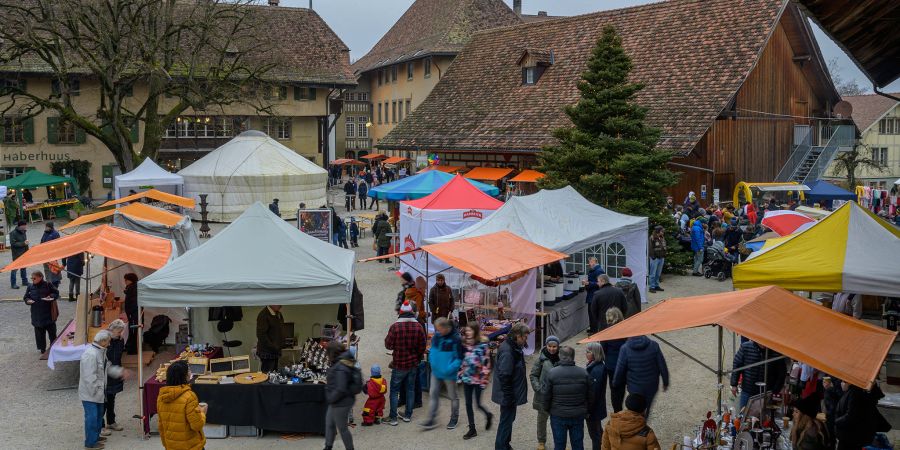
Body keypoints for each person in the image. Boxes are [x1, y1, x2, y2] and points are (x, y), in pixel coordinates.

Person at [80, 330, 125, 449]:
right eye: (109, 342)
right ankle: (90, 443)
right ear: (103, 341)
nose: (110, 344)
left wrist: (120, 372)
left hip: (99, 392)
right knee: (92, 417)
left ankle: (95, 437)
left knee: (99, 415)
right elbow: (89, 378)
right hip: (91, 393)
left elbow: (108, 367)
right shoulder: (91, 355)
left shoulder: (100, 352)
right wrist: (96, 392)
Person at [384, 301, 426, 425]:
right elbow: (422, 346)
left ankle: (393, 418)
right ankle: (408, 415)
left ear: (401, 313)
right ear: (412, 313)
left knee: (394, 391)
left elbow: (388, 345)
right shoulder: (418, 326)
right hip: (413, 364)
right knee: (410, 389)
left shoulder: (395, 327)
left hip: (398, 365)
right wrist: (417, 357)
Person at [542, 346, 592, 450]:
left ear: (560, 356)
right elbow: (590, 395)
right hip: (578, 414)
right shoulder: (584, 373)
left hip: (558, 414)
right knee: (578, 444)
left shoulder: (552, 373)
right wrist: (586, 410)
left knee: (559, 445)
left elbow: (546, 395)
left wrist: (547, 409)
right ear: (573, 357)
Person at [492, 322, 530, 450]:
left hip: (509, 394)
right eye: (524, 337)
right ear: (517, 336)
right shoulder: (508, 352)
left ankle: (505, 445)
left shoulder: (513, 347)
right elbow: (504, 376)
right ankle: (501, 446)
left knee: (508, 420)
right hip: (507, 395)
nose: (525, 340)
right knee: (506, 421)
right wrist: (509, 397)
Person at [421, 317, 463, 430]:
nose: (437, 332)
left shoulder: (456, 339)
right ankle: (431, 419)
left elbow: (459, 358)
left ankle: (454, 418)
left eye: (439, 329)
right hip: (436, 372)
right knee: (433, 394)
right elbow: (433, 351)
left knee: (453, 396)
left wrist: (449, 369)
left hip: (449, 374)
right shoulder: (437, 336)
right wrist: (433, 364)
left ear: (446, 327)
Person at [613, 335, 669, 417]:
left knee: (635, 410)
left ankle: (636, 426)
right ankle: (644, 423)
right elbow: (662, 365)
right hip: (651, 386)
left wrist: (615, 382)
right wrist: (665, 382)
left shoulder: (625, 348)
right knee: (647, 407)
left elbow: (620, 369)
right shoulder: (654, 345)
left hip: (634, 387)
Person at [157, 360, 206, 450]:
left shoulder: (161, 397)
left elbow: (161, 425)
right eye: (189, 371)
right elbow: (196, 425)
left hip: (171, 446)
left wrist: (166, 445)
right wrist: (202, 412)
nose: (190, 372)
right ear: (185, 376)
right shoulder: (189, 396)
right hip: (191, 446)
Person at [457, 322, 493, 440]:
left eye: (470, 330)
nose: (467, 332)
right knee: (468, 404)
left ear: (476, 331)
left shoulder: (483, 345)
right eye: (466, 330)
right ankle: (472, 429)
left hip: (478, 380)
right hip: (467, 378)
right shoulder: (465, 344)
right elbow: (464, 361)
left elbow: (487, 365)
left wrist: (484, 380)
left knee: (478, 404)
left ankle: (488, 415)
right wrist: (460, 374)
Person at [325, 344, 362, 450]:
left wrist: (331, 398)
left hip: (341, 402)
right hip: (338, 400)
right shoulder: (343, 360)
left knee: (342, 429)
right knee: (329, 423)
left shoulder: (341, 366)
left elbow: (341, 388)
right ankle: (328, 446)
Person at [730, 340, 786, 409]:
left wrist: (775, 391)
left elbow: (781, 374)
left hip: (765, 393)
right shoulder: (746, 347)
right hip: (747, 390)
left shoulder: (776, 352)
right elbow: (737, 365)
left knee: (762, 417)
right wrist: (734, 384)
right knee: (743, 414)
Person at [834, 381, 889, 450]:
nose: (841, 383)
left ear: (850, 382)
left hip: (851, 436)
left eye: (844, 381)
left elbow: (851, 415)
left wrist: (836, 421)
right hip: (854, 435)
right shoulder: (856, 391)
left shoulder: (854, 393)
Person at [531, 335, 561, 450]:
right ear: (546, 345)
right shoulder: (541, 359)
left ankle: (558, 442)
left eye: (554, 346)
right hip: (543, 396)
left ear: (558, 346)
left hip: (558, 396)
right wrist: (538, 388)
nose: (552, 349)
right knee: (542, 420)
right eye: (549, 346)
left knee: (557, 421)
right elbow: (533, 375)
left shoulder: (562, 358)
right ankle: (541, 441)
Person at [24, 271, 59, 354]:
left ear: (40, 277)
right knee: (39, 335)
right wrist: (28, 300)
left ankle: (53, 347)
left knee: (52, 333)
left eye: (34, 278)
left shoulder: (48, 284)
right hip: (36, 315)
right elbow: (25, 297)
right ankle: (42, 349)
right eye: (32, 278)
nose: (33, 280)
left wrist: (50, 296)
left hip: (48, 314)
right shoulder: (30, 286)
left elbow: (56, 293)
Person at [103, 320, 127, 433]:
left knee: (111, 399)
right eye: (119, 331)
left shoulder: (120, 341)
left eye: (122, 331)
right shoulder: (104, 341)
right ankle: (101, 426)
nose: (121, 334)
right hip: (105, 374)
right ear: (112, 330)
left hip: (115, 373)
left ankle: (111, 422)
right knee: (103, 401)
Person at [603, 308, 627, 413]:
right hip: (625, 363)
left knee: (614, 388)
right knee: (622, 386)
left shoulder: (606, 332)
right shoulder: (626, 329)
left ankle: (617, 410)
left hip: (612, 365)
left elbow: (603, 349)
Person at [585, 343, 607, 450]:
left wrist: (588, 410)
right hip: (596, 408)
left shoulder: (596, 370)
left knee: (595, 435)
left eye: (588, 352)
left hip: (593, 409)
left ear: (595, 353)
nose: (586, 353)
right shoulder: (594, 365)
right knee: (598, 431)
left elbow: (593, 393)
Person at [255, 305, 285, 373]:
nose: (281, 305)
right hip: (267, 352)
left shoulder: (278, 313)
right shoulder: (263, 315)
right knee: (268, 375)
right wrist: (274, 347)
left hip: (275, 350)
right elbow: (261, 335)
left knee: (274, 374)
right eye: (279, 303)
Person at [41, 222, 63, 287]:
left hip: (52, 255)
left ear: (50, 227)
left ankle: (56, 280)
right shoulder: (45, 233)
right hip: (45, 254)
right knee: (46, 269)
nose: (45, 228)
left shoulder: (55, 234)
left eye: (47, 227)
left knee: (53, 268)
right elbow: (42, 241)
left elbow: (58, 244)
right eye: (45, 227)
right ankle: (48, 281)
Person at [123, 273, 140, 355]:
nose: (125, 281)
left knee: (133, 331)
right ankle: (133, 348)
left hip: (134, 314)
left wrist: (129, 313)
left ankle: (133, 350)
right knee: (134, 331)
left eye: (126, 280)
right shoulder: (133, 287)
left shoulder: (133, 288)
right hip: (134, 313)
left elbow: (132, 303)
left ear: (131, 280)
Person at [9, 220, 29, 289]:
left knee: (23, 267)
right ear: (21, 226)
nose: (26, 226)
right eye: (25, 225)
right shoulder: (13, 233)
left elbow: (25, 242)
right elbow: (13, 244)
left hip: (24, 253)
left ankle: (25, 281)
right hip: (16, 254)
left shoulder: (24, 232)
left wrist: (28, 252)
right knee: (14, 269)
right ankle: (13, 284)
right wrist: (23, 243)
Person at [648, 226, 666, 293]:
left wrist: (664, 255)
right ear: (658, 231)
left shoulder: (662, 237)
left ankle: (656, 285)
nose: (663, 232)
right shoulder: (652, 238)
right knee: (652, 273)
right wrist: (653, 257)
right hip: (655, 258)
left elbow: (664, 247)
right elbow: (650, 248)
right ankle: (651, 287)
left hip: (661, 258)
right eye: (662, 231)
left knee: (658, 273)